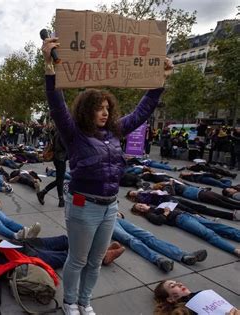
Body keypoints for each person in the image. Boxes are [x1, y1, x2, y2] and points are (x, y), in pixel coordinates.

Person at [42, 37, 173, 315]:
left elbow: (141, 113)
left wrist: (159, 80)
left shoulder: (115, 131)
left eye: (107, 108)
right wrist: (49, 68)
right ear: (86, 110)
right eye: (99, 108)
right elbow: (56, 104)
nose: (105, 113)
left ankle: (85, 301)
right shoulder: (73, 133)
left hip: (110, 206)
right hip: (83, 205)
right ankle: (69, 303)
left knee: (95, 260)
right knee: (77, 260)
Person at [0, 236, 124, 314]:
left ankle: (99, 250)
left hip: (29, 243)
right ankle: (102, 256)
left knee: (64, 240)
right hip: (32, 257)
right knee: (69, 256)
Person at [131, 203, 240, 257]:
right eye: (139, 209)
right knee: (209, 234)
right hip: (181, 220)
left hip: (187, 215)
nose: (142, 207)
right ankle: (234, 250)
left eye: (141, 205)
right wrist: (166, 212)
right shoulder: (150, 214)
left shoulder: (155, 206)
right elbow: (158, 221)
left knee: (220, 227)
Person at [113, 213, 207, 272]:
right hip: (105, 222)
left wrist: (120, 214)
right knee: (131, 239)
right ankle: (158, 259)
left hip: (116, 218)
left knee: (149, 237)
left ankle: (183, 256)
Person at [153, 280, 240, 315]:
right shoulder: (183, 311)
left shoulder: (204, 294)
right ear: (170, 299)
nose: (179, 284)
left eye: (177, 282)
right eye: (172, 286)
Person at [37, 130, 67, 207]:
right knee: (59, 180)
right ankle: (43, 193)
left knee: (60, 180)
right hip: (60, 158)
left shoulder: (57, 133)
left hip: (57, 158)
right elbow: (64, 146)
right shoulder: (62, 134)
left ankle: (61, 200)